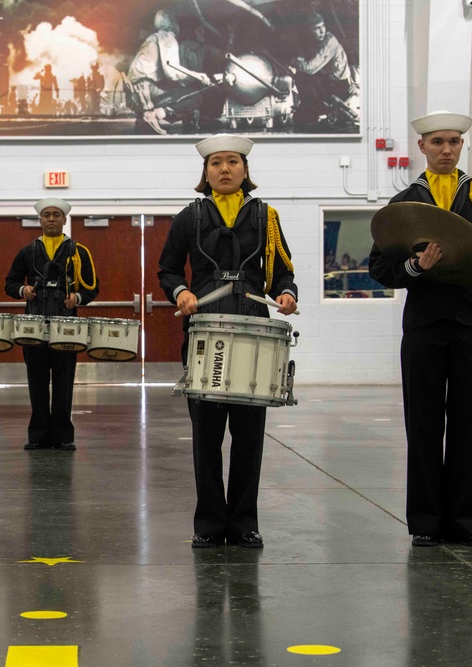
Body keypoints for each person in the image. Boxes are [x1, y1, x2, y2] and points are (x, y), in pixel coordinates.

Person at [368, 111, 472, 548]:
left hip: (470, 321)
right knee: (424, 423)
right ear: (422, 148)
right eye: (438, 142)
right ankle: (427, 523)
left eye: (454, 141)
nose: (447, 149)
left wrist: (470, 262)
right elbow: (380, 266)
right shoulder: (404, 204)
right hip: (423, 324)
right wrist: (415, 266)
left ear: (462, 145)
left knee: (471, 423)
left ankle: (470, 523)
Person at [157, 135, 298, 548]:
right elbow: (167, 269)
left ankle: (243, 524)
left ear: (245, 169)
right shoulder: (190, 217)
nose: (224, 169)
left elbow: (283, 270)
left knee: (250, 434)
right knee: (206, 434)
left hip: (254, 328)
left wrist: (287, 293)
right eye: (216, 163)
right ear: (206, 172)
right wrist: (180, 292)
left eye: (232, 162)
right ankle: (208, 524)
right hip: (204, 331)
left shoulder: (266, 217)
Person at [5, 198, 98, 451]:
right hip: (33, 327)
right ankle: (37, 435)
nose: (52, 219)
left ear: (65, 220)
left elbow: (92, 287)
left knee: (63, 381)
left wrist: (76, 298)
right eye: (47, 215)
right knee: (36, 380)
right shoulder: (27, 251)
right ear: (40, 220)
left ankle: (63, 435)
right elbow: (10, 283)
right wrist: (22, 290)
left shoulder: (78, 251)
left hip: (66, 327)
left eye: (57, 215)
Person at [126, 10, 210, 134]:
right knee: (195, 97)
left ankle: (144, 119)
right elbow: (171, 71)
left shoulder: (152, 38)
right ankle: (154, 114)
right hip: (147, 92)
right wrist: (197, 76)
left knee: (176, 90)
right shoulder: (167, 37)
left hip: (134, 95)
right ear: (173, 22)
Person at [290, 12, 359, 126]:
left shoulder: (329, 42)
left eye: (323, 26)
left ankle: (317, 108)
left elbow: (310, 68)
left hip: (340, 87)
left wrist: (295, 63)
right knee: (298, 118)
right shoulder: (318, 43)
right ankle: (313, 108)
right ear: (310, 31)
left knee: (301, 77)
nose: (322, 30)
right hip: (331, 83)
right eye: (317, 28)